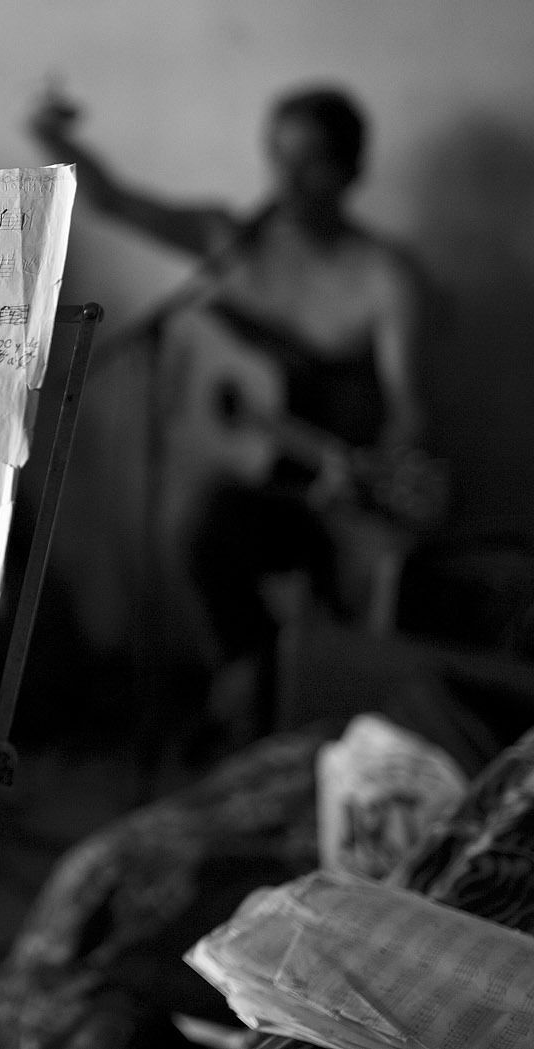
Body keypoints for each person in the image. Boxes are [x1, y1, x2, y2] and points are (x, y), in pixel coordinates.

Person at [29, 83, 431, 742]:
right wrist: (55, 139)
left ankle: (281, 707)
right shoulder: (234, 242)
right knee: (200, 528)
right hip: (248, 482)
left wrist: (372, 474)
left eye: (313, 162)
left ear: (353, 171)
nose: (289, 181)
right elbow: (115, 201)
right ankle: (249, 685)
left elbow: (409, 412)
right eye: (278, 158)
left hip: (335, 493)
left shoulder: (385, 278)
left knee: (348, 590)